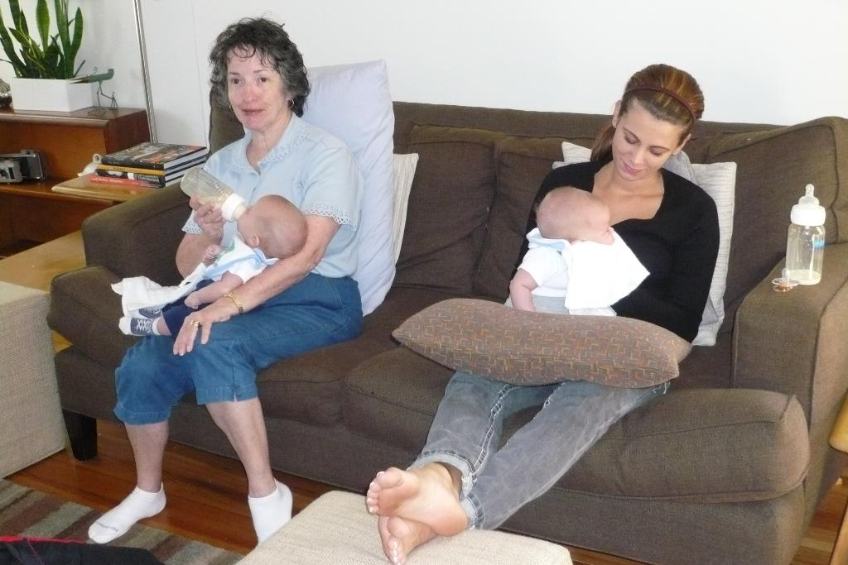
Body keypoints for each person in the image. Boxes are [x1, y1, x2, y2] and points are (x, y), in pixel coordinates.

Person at [366, 63, 719, 565]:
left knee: (584, 403)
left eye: (657, 150)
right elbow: (524, 272)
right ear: (616, 115)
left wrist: (593, 266)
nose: (637, 159)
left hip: (626, 354)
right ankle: (438, 477)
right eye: (629, 138)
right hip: (542, 334)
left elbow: (682, 320)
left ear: (680, 147)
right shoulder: (565, 184)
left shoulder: (694, 210)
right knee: (476, 375)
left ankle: (466, 512)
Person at [88, 17, 364, 546]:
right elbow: (187, 261)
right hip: (230, 288)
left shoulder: (326, 154)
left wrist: (228, 302)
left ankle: (266, 494)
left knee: (213, 341)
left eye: (261, 78)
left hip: (316, 298)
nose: (248, 93)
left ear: (288, 84)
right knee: (143, 361)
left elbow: (306, 257)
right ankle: (148, 489)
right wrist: (209, 235)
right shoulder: (220, 165)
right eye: (236, 80)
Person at [113, 194, 307, 339]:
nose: (245, 208)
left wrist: (199, 297)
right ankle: (158, 310)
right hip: (210, 291)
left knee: (180, 317)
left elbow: (225, 287)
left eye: (250, 210)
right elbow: (230, 257)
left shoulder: (249, 264)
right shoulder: (249, 248)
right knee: (180, 298)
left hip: (214, 300)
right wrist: (219, 251)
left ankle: (153, 327)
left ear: (255, 239)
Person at [508, 186, 648, 316]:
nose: (612, 230)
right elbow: (518, 285)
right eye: (605, 229)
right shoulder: (547, 255)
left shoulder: (583, 255)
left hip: (561, 318)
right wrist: (530, 319)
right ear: (577, 239)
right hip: (534, 312)